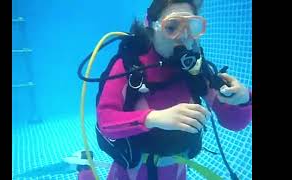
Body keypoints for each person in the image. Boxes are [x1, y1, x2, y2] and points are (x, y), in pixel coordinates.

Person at [79, 0, 252, 179]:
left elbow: (234, 123)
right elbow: (105, 122)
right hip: (132, 172)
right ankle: (84, 167)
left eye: (192, 27)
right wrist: (153, 118)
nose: (183, 37)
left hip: (177, 170)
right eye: (171, 27)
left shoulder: (194, 70)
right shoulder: (130, 66)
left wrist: (243, 100)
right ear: (152, 27)